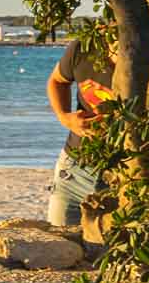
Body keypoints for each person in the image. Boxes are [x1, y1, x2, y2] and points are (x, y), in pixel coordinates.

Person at [44, 38, 115, 227]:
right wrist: (65, 117)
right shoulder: (83, 47)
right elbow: (57, 81)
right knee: (60, 245)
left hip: (124, 174)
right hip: (73, 170)